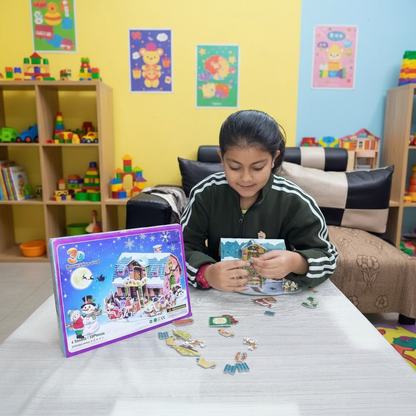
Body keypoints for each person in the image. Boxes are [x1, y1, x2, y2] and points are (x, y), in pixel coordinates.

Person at [180, 110, 338, 292]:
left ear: (273, 159)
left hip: (278, 302)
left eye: (257, 167)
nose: (246, 178)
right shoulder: (206, 193)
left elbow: (328, 257)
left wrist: (296, 262)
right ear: (221, 158)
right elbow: (183, 246)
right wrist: (206, 273)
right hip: (220, 296)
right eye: (234, 167)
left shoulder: (294, 200)